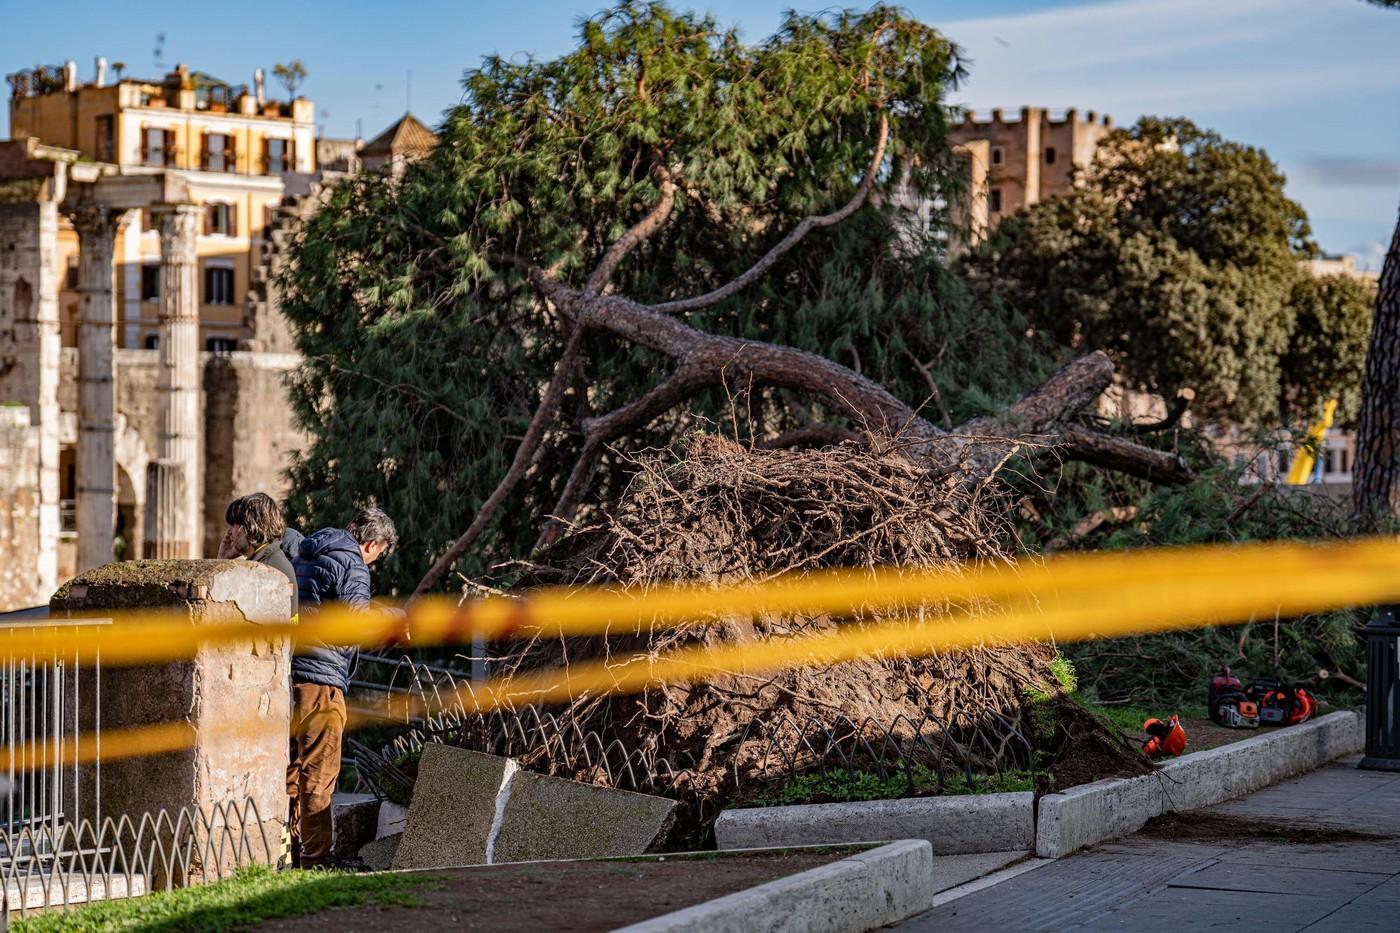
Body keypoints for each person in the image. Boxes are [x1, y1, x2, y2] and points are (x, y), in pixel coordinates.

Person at [287, 506, 398, 868]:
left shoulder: (313, 550)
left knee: (294, 767)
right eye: (378, 555)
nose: (374, 563)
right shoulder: (352, 563)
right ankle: (316, 858)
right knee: (321, 768)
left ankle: (287, 848)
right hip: (323, 677)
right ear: (373, 544)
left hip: (294, 671)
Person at [218, 493, 298, 620]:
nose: (229, 532)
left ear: (250, 528)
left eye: (234, 525)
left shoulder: (268, 569)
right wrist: (223, 558)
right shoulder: (266, 560)